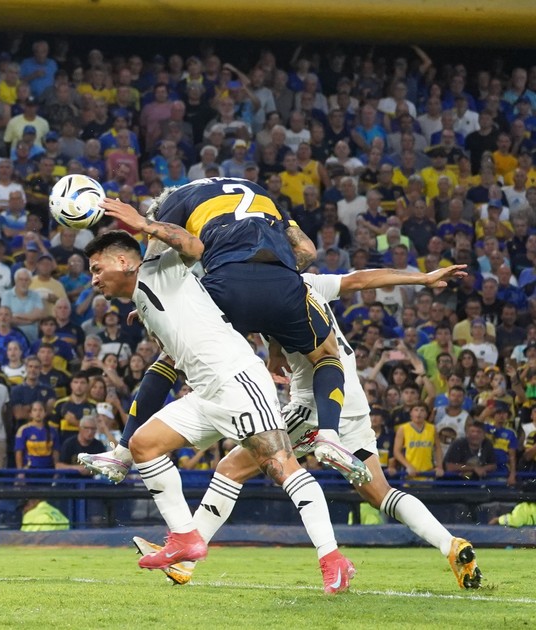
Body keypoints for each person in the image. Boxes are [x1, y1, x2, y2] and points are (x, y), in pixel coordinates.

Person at [136, 264, 481, 590]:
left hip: (313, 405)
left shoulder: (265, 291)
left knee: (231, 467)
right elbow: (361, 279)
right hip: (351, 401)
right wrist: (423, 278)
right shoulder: (310, 282)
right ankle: (450, 544)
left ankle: (186, 561)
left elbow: (213, 312)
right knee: (380, 493)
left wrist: (160, 312)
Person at [84, 230, 353, 594]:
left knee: (282, 466)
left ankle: (332, 559)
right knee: (143, 445)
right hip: (207, 392)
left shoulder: (159, 267)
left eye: (97, 269)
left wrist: (142, 220)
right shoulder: (144, 302)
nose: (94, 279)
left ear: (122, 261)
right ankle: (185, 539)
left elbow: (189, 241)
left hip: (237, 381)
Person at [93, 179, 365, 484]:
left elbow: (165, 262)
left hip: (227, 284)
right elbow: (307, 250)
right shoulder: (262, 193)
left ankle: (123, 452)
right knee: (326, 355)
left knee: (169, 358)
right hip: (283, 284)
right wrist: (272, 287)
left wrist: (154, 304)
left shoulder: (173, 204)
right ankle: (329, 435)